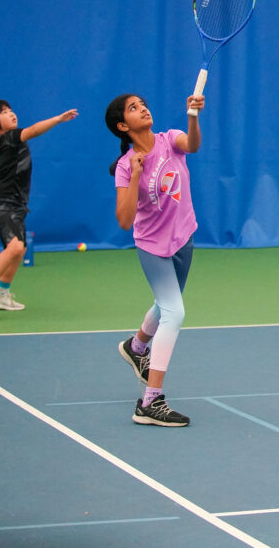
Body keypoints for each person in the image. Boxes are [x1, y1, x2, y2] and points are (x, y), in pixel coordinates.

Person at [107, 92, 204, 427]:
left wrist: (192, 115)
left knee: (166, 305)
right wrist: (135, 174)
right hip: (153, 247)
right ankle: (150, 401)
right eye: (133, 108)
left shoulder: (168, 140)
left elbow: (192, 144)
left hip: (184, 238)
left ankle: (136, 347)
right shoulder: (124, 166)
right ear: (123, 125)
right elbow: (124, 219)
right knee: (175, 312)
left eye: (142, 104)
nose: (143, 108)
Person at [0, 100, 78, 313]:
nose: (11, 113)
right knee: (16, 247)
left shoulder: (11, 141)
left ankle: (1, 293)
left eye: (10, 109)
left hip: (16, 206)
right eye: (3, 112)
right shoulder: (9, 138)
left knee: (20, 250)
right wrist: (57, 119)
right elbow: (35, 130)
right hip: (3, 205)